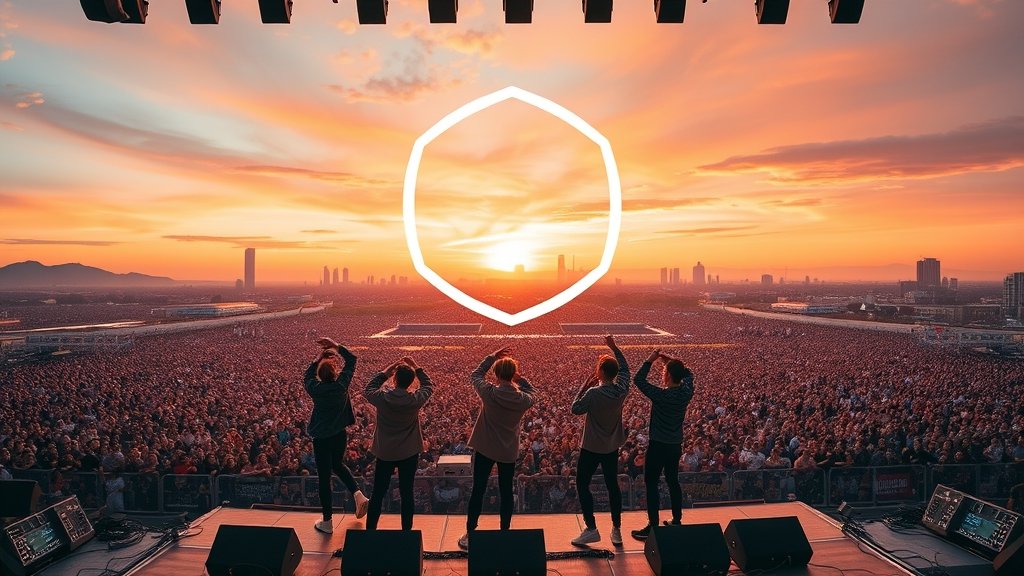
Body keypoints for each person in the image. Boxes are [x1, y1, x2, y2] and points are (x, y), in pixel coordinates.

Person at [458, 347, 536, 550]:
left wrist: (492, 356)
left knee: (478, 490)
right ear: (512, 374)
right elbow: (533, 393)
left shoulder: (489, 393)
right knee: (506, 492)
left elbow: (475, 374)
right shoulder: (521, 399)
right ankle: (504, 533)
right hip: (507, 450)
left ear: (496, 374)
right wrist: (519, 379)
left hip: (484, 447)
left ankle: (470, 533)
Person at [569, 335, 630, 547]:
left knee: (582, 483)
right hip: (611, 446)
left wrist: (585, 385)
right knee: (612, 485)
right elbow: (625, 369)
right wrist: (614, 347)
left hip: (592, 446)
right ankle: (616, 529)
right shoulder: (622, 390)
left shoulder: (594, 393)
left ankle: (591, 528)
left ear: (601, 372)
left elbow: (575, 408)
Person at [363, 356, 434, 531]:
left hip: (385, 451)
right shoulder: (414, 399)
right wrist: (416, 367)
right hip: (408, 452)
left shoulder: (382, 398)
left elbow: (369, 388)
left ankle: (370, 531)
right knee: (406, 493)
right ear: (411, 382)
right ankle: (406, 532)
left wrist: (387, 371)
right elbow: (428, 386)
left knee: (378, 493)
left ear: (394, 379)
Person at [306, 337, 368, 534]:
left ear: (319, 376)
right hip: (340, 434)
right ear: (335, 372)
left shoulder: (315, 388)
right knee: (338, 465)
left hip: (321, 438)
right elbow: (352, 360)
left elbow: (307, 376)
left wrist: (318, 358)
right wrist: (335, 345)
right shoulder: (342, 385)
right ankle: (358, 494)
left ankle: (327, 520)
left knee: (324, 478)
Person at [631, 350, 694, 540]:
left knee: (651, 483)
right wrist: (671, 362)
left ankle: (653, 525)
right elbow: (689, 374)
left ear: (666, 375)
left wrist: (651, 359)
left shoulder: (660, 395)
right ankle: (676, 519)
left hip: (658, 444)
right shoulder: (686, 392)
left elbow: (638, 380)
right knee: (673, 481)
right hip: (675, 445)